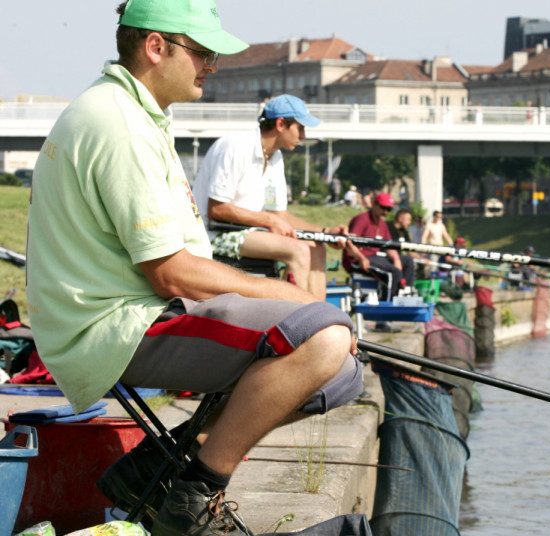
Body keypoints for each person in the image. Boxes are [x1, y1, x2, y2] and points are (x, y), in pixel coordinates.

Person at [25, 2, 362, 535]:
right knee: (322, 339)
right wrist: (288, 297)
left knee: (342, 375)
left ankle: (158, 468)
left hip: (145, 309)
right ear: (156, 47)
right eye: (202, 52)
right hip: (114, 326)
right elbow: (172, 274)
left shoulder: (137, 114)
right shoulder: (119, 125)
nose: (212, 64)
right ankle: (195, 493)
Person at [192, 93, 345, 299]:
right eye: (300, 128)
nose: (304, 136)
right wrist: (268, 219)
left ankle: (321, 323)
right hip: (211, 235)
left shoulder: (275, 156)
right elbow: (216, 209)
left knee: (317, 248)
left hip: (246, 232)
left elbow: (279, 215)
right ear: (281, 124)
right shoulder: (236, 147)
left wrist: (325, 232)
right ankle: (298, 326)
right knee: (299, 250)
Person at [342, 193, 415, 299]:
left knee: (407, 261)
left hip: (375, 257)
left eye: (388, 209)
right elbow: (349, 243)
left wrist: (396, 259)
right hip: (357, 259)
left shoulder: (382, 224)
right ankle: (391, 303)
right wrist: (361, 258)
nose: (385, 212)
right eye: (383, 207)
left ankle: (406, 293)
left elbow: (389, 246)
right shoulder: (362, 219)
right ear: (374, 204)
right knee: (394, 272)